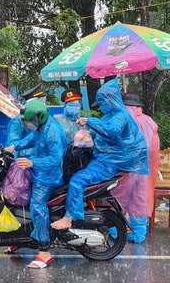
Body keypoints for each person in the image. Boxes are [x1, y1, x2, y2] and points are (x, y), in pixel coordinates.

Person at [51, 79, 148, 231]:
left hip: (109, 162)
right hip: (102, 159)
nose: (101, 106)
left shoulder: (120, 116)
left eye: (102, 102)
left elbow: (111, 130)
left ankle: (70, 218)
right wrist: (86, 136)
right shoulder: (110, 115)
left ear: (110, 100)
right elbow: (98, 134)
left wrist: (90, 121)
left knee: (77, 180)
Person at [6, 99, 68, 269]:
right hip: (41, 171)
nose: (28, 124)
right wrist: (13, 147)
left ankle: (45, 252)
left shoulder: (52, 132)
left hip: (50, 176)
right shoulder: (41, 127)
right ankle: (31, 235)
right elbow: (30, 139)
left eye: (30, 121)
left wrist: (32, 162)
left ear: (39, 117)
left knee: (37, 204)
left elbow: (56, 159)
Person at [110, 93, 160, 243]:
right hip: (145, 168)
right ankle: (138, 233)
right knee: (140, 198)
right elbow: (154, 146)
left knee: (119, 197)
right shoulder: (149, 121)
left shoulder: (124, 121)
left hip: (127, 167)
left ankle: (116, 229)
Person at [6, 86, 47, 157]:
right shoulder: (18, 120)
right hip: (25, 162)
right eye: (40, 98)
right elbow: (12, 146)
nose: (44, 100)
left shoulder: (42, 118)